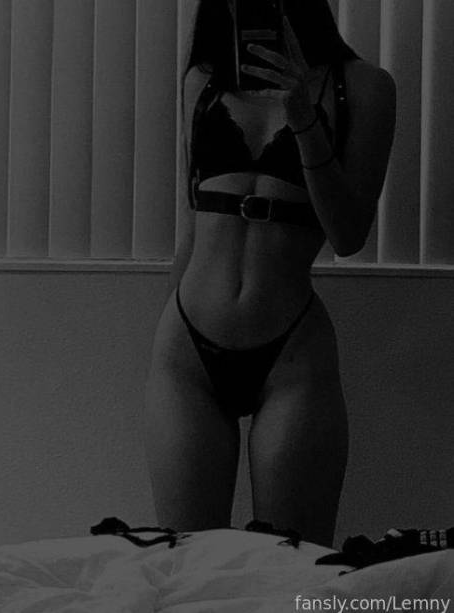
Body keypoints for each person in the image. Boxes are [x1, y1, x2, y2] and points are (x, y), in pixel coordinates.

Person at [144, 0, 396, 548]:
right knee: (187, 565)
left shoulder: (364, 87)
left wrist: (304, 117)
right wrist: (163, 340)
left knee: (293, 565)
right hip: (187, 352)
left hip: (291, 356)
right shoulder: (202, 82)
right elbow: (191, 228)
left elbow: (349, 234)